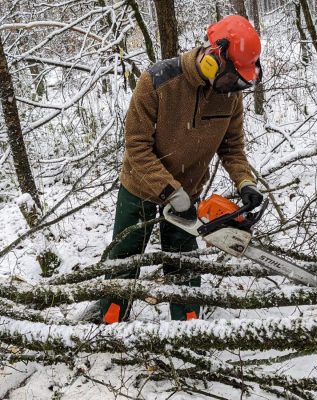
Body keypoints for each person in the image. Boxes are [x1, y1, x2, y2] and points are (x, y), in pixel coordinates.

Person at [100, 15, 264, 324]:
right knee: (124, 258)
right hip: (140, 190)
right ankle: (109, 320)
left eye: (239, 82)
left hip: (188, 194)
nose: (233, 88)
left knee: (184, 264)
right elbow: (136, 146)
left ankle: (188, 326)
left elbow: (232, 148)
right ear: (214, 58)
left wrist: (245, 182)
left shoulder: (230, 97)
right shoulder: (158, 82)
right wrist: (169, 190)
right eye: (232, 78)